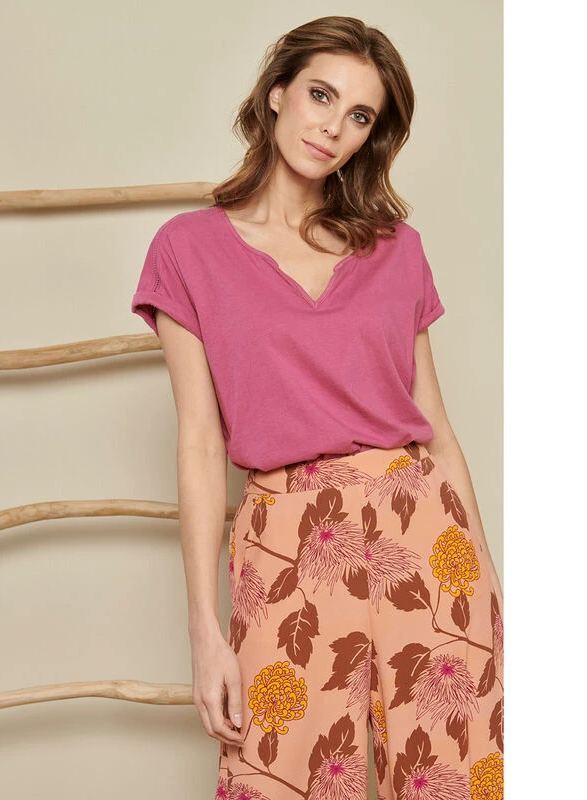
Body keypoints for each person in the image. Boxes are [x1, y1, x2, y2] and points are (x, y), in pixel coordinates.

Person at [131, 15, 503, 800]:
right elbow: (199, 443)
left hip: (422, 532)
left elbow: (437, 432)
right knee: (276, 777)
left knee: (451, 779)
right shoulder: (187, 249)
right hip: (287, 539)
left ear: (372, 136)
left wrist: (487, 583)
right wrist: (204, 630)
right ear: (277, 93)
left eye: (360, 115)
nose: (333, 127)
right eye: (321, 96)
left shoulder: (397, 249)